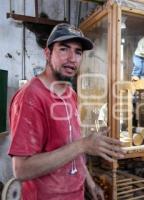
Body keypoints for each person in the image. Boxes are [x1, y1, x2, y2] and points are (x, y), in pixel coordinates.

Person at [8, 23, 126, 200]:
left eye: (78, 52)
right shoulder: (31, 97)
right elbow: (21, 170)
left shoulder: (70, 94)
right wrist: (84, 145)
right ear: (47, 53)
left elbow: (72, 146)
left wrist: (90, 184)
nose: (72, 58)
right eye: (64, 49)